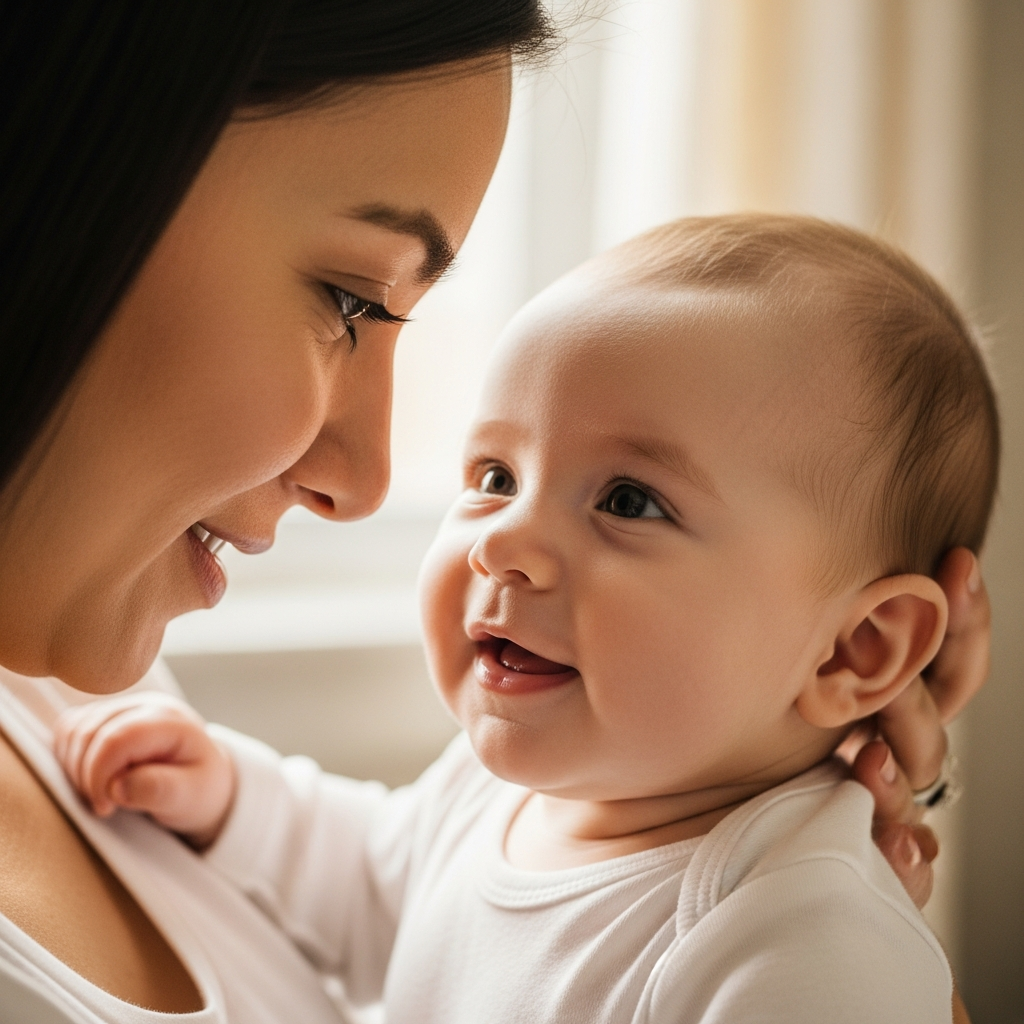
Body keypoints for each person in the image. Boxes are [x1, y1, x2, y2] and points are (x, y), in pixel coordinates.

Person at [0, 1, 987, 1020]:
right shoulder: (499, 798)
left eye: (628, 499)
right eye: (494, 478)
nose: (503, 543)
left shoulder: (792, 938)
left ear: (857, 651)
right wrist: (237, 803)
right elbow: (380, 874)